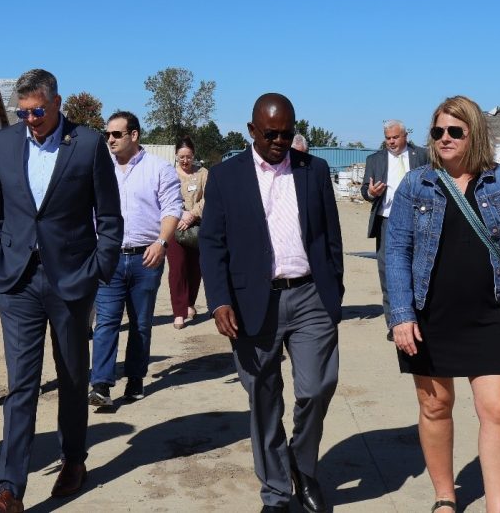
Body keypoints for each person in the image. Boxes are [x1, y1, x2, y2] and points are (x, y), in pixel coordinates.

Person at [385, 96, 500, 513]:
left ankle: (498, 508)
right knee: (435, 407)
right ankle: (445, 497)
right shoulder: (416, 184)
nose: (445, 138)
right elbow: (395, 251)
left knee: (498, 411)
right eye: (438, 131)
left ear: (475, 135)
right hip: (429, 315)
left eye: (455, 131)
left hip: (490, 313)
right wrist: (401, 315)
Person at [0, 69, 122, 513]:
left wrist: (97, 271)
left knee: (73, 376)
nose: (30, 120)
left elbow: (109, 217)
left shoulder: (89, 144)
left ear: (57, 103)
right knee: (21, 384)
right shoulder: (4, 144)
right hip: (18, 281)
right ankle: (9, 490)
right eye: (22, 113)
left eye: (37, 111)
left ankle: (73, 460)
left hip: (71, 281)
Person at [200, 93, 344, 513]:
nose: (280, 141)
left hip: (311, 297)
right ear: (252, 130)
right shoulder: (226, 177)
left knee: (317, 388)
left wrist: (334, 290)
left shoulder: (314, 170)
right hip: (251, 304)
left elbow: (331, 236)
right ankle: (277, 492)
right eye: (271, 134)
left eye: (287, 133)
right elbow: (212, 244)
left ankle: (302, 464)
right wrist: (219, 301)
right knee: (263, 399)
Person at [88, 111, 181, 406]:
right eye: (107, 135)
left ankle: (135, 378)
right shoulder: (100, 169)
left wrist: (162, 243)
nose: (110, 139)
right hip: (109, 258)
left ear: (134, 135)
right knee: (106, 321)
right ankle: (101, 385)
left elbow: (172, 209)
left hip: (146, 258)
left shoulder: (159, 169)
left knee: (140, 322)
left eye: (116, 134)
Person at [360, 120, 429, 331]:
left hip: (419, 221)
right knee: (389, 272)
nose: (391, 142)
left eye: (395, 137)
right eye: (388, 138)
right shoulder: (375, 160)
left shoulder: (423, 156)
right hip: (387, 222)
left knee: (420, 269)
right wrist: (371, 192)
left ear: (405, 136)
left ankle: (419, 320)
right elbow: (365, 190)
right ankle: (395, 323)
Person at [166, 136, 208, 330]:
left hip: (197, 227)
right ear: (176, 155)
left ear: (194, 155)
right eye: (181, 157)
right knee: (177, 268)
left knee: (194, 268)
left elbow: (209, 197)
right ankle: (179, 312)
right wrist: (180, 214)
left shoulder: (203, 174)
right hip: (175, 227)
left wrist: (192, 214)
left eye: (188, 156)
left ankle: (190, 302)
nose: (185, 160)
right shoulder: (169, 174)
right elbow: (164, 197)